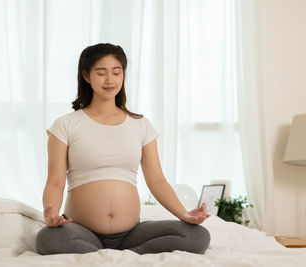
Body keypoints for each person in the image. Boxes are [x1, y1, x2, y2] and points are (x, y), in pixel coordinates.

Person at [36, 43, 211, 255]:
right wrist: (52, 215)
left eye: (116, 72)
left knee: (197, 236)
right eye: (101, 73)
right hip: (81, 230)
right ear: (86, 76)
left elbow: (157, 180)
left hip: (131, 233)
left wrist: (184, 215)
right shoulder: (65, 125)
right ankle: (116, 257)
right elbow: (55, 181)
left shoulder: (140, 124)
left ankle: (119, 257)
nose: (110, 80)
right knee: (49, 238)